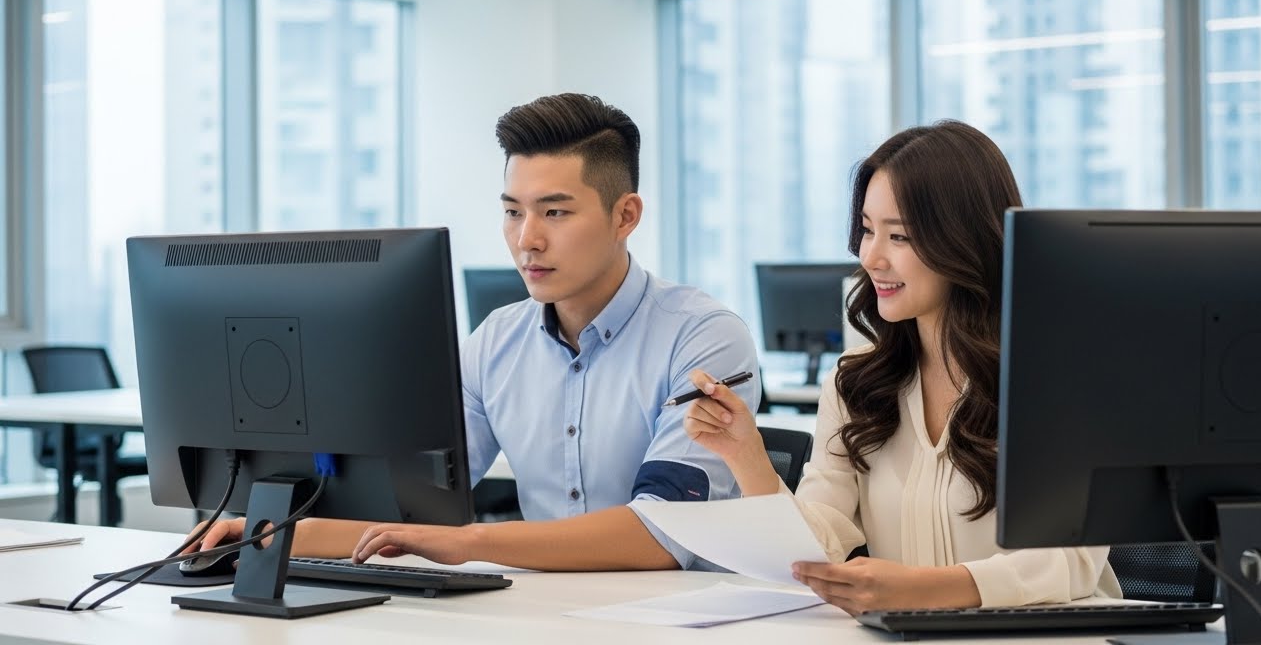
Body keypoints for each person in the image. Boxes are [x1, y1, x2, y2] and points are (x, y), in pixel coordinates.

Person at [194, 93, 760, 571]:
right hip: (543, 612)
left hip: (680, 621)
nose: (526, 240)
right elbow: (411, 505)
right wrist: (270, 532)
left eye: (555, 213)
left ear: (625, 216)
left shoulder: (704, 336)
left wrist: (468, 543)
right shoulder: (496, 341)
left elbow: (666, 533)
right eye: (513, 212)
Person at [683, 120, 1121, 615]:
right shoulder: (857, 382)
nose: (871, 257)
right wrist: (746, 456)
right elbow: (817, 546)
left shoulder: (1056, 378)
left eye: (900, 236)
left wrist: (925, 590)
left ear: (965, 241)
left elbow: (1070, 561)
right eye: (868, 230)